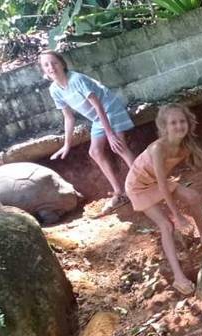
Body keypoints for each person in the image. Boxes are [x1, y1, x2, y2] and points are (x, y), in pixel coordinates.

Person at [125, 103, 202, 296]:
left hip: (155, 182)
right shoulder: (158, 149)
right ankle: (179, 278)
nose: (179, 126)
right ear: (164, 127)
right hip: (138, 187)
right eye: (173, 123)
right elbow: (163, 185)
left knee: (193, 196)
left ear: (188, 123)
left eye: (182, 121)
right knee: (167, 226)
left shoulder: (187, 145)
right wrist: (177, 215)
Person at [39, 50, 136, 215]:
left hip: (110, 109)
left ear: (62, 64)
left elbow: (98, 106)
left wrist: (110, 134)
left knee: (119, 146)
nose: (51, 67)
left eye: (54, 63)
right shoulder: (54, 89)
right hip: (98, 119)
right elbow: (68, 118)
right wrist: (67, 145)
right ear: (44, 70)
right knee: (95, 152)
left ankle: (145, 183)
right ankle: (119, 193)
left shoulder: (77, 80)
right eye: (46, 65)